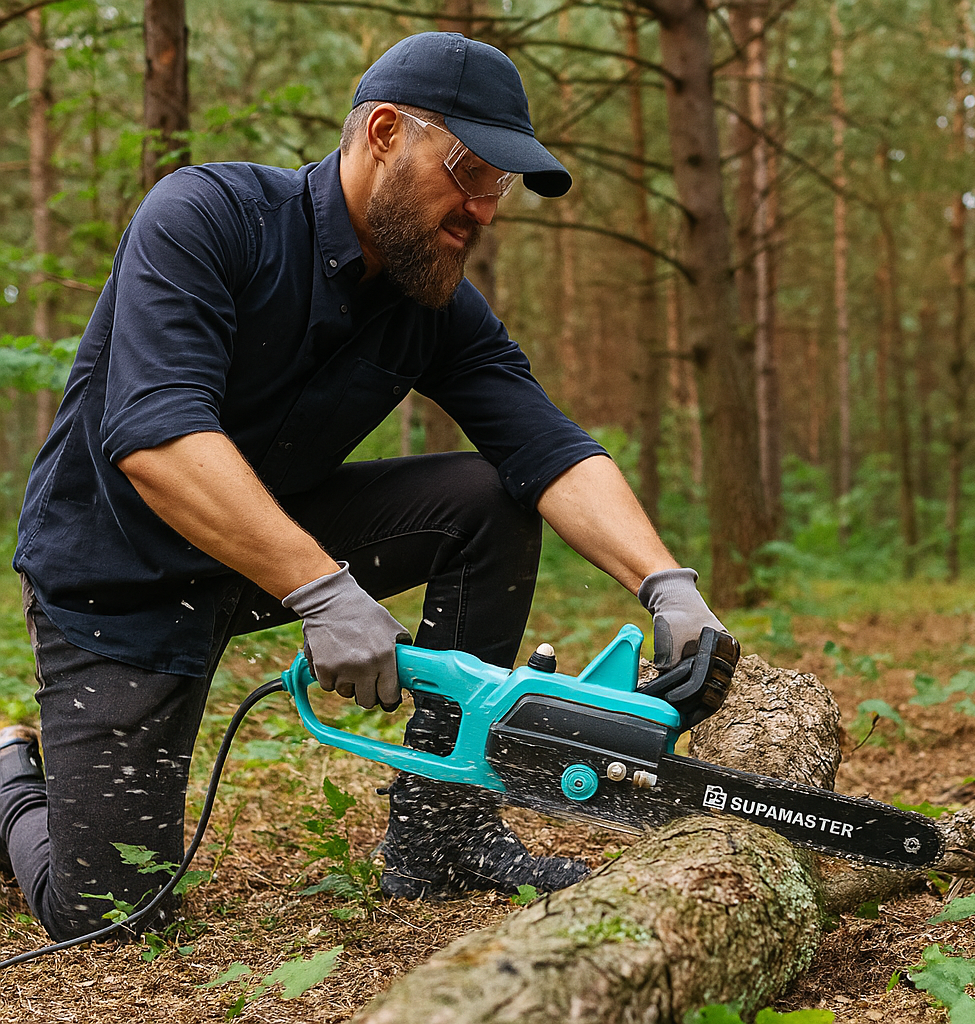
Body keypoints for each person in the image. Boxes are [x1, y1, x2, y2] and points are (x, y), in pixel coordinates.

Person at [0, 32, 730, 943]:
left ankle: (441, 837)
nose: (482, 209)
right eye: (469, 171)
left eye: (497, 186)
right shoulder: (207, 218)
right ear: (385, 131)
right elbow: (157, 439)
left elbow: (547, 447)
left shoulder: (433, 304)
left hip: (270, 547)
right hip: (116, 579)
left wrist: (668, 583)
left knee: (487, 499)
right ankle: (6, 776)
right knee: (109, 919)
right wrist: (322, 589)